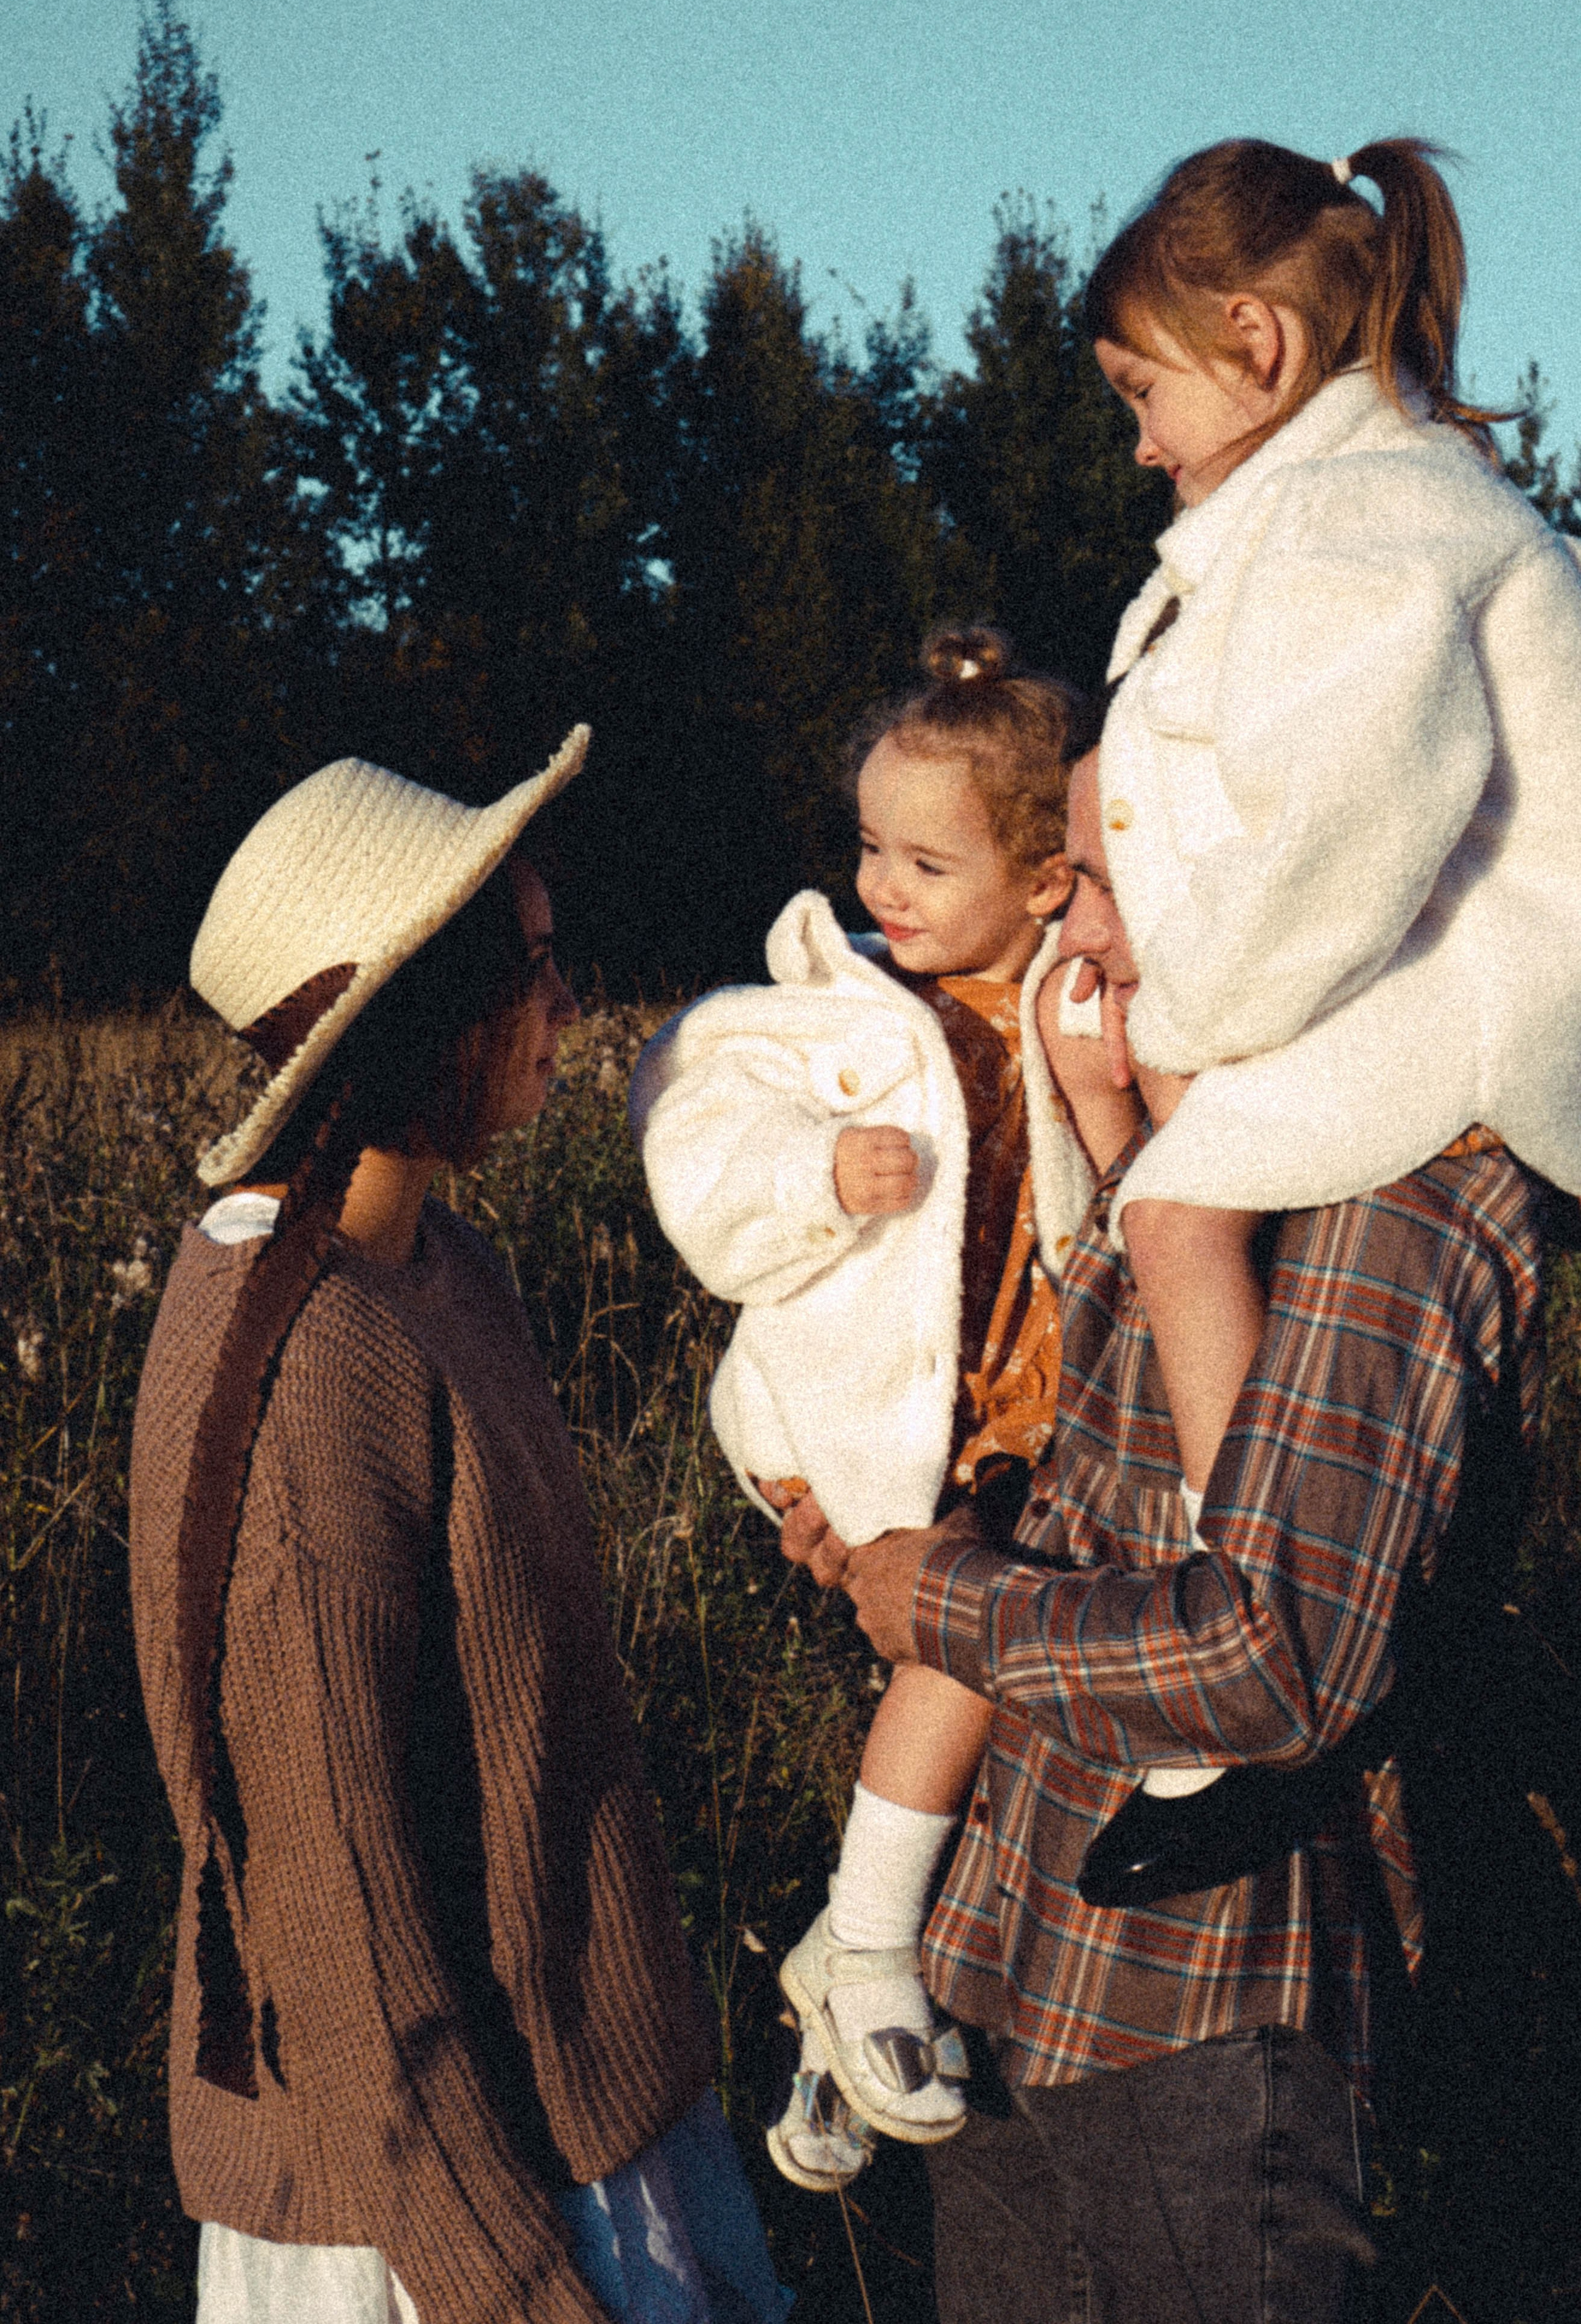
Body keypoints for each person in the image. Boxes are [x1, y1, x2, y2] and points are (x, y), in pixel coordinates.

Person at [803, 729, 1548, 2323]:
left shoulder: (1396, 1197)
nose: (1069, 929)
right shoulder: (1200, 1123)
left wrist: (942, 1604)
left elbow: (1275, 1661)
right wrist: (899, 1526)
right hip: (1010, 1956)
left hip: (1205, 2017)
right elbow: (1100, 1472)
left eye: (1103, 879)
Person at [130, 738, 791, 2324]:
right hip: (426, 2210)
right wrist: (509, 2289)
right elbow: (331, 1901)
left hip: (577, 2113)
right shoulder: (299, 1370)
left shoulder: (439, 1267)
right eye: (534, 969)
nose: (569, 1006)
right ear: (427, 1011)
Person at [1063, 135, 1581, 1852]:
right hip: (1416, 990)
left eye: (1143, 391)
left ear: (1256, 342)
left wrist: (1184, 1019)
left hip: (1469, 1013)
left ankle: (1257, 1632)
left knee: (1174, 1206)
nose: (1138, 442)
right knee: (1182, 1203)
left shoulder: (1365, 522)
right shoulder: (1341, 507)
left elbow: (1348, 824)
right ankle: (1291, 1614)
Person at [632, 629, 1138, 2187]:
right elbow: (686, 1104)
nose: (882, 888)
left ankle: (835, 2031)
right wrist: (812, 1171)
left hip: (1026, 1411)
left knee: (1004, 1714)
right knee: (965, 1647)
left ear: (1044, 881)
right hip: (873, 1417)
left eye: (926, 861)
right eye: (868, 848)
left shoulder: (1072, 995)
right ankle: (861, 1943)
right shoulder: (836, 1007)